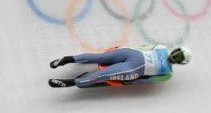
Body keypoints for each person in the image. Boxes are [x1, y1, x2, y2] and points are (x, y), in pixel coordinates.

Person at [48, 45, 191, 88]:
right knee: (100, 57)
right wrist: (123, 47)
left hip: (134, 69)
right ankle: (67, 59)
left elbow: (147, 79)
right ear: (175, 49)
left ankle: (70, 83)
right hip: (131, 54)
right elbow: (143, 47)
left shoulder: (167, 74)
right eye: (177, 53)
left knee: (103, 75)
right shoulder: (162, 47)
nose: (175, 56)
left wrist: (131, 81)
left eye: (178, 57)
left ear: (180, 62)